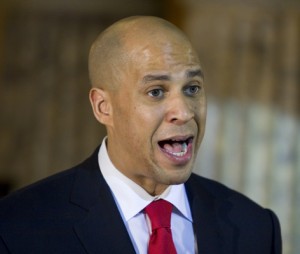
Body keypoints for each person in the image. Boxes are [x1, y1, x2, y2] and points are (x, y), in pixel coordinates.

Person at [0, 16, 281, 254]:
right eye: (156, 91)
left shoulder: (255, 227)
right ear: (103, 107)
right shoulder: (18, 226)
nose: (183, 112)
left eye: (192, 88)